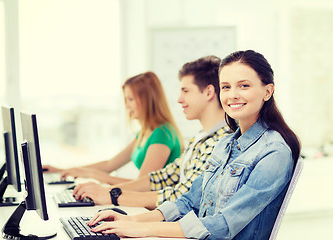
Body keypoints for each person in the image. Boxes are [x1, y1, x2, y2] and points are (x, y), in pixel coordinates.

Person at [86, 50, 301, 240]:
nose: (232, 94)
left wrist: (144, 229)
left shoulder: (274, 152)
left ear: (267, 91)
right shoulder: (226, 144)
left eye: (244, 86)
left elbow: (223, 226)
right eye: (226, 87)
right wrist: (133, 222)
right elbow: (188, 200)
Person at [73, 55, 232, 209]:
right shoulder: (200, 138)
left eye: (186, 91)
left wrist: (113, 195)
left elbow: (185, 195)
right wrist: (108, 192)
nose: (179, 99)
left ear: (209, 92)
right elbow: (161, 177)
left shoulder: (222, 143)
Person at [43, 71, 183, 185]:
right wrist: (64, 170)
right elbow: (110, 164)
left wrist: (94, 176)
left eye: (130, 99)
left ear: (147, 99)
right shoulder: (145, 132)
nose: (127, 106)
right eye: (126, 100)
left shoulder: (162, 133)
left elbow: (142, 185)